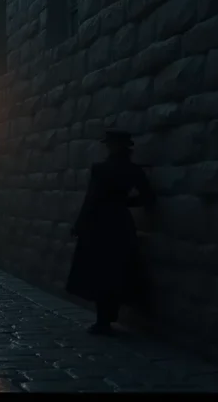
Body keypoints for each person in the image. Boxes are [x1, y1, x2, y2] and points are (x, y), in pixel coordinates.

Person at [66, 130, 155, 336]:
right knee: (117, 270)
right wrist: (123, 203)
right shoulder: (133, 170)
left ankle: (103, 320)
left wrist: (80, 224)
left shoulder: (101, 169)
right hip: (121, 223)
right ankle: (108, 316)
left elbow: (91, 198)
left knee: (100, 271)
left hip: (99, 224)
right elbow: (147, 198)